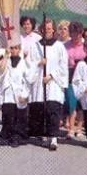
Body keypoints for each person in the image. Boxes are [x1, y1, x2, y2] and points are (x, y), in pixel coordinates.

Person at [29, 18, 69, 150]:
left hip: (54, 85)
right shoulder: (35, 46)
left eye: (50, 29)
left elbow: (63, 66)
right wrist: (39, 63)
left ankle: (53, 138)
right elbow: (29, 64)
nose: (47, 31)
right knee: (42, 111)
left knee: (53, 110)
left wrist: (51, 76)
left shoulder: (59, 46)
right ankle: (45, 136)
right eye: (45, 29)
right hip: (39, 84)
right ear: (41, 30)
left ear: (53, 30)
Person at [0, 43, 37, 147]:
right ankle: (5, 136)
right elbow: (0, 71)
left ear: (19, 49)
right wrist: (6, 55)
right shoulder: (5, 61)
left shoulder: (24, 63)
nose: (13, 50)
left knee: (19, 116)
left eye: (16, 48)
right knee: (7, 115)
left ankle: (17, 137)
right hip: (7, 93)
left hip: (19, 93)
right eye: (11, 48)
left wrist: (25, 95)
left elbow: (29, 79)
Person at [64, 21, 86, 139]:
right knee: (71, 101)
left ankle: (79, 128)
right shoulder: (65, 45)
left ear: (81, 33)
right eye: (72, 34)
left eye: (77, 34)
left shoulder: (85, 44)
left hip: (82, 76)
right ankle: (71, 129)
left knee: (80, 103)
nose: (74, 37)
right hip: (70, 74)